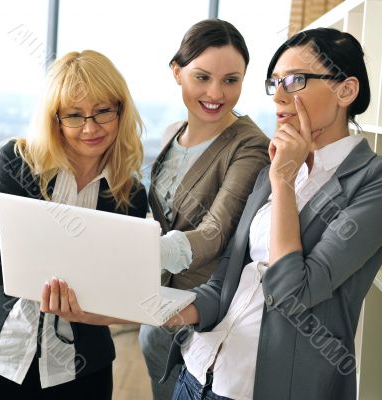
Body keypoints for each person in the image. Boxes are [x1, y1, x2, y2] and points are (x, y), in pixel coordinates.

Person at [159, 27, 382, 400]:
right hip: (197, 374)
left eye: (295, 80)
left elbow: (291, 293)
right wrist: (163, 308)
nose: (278, 96)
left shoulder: (370, 183)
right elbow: (225, 283)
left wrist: (283, 180)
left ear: (346, 90)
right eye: (274, 81)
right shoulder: (275, 166)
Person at [0, 50, 147, 400]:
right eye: (74, 115)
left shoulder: (130, 195)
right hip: (1, 354)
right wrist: (77, 286)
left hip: (85, 367)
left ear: (120, 110)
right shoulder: (17, 162)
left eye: (103, 111)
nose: (90, 128)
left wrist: (71, 288)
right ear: (55, 119)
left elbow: (123, 286)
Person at [139, 18, 270, 398]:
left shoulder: (249, 146)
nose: (216, 93)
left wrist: (138, 252)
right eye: (202, 77)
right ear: (177, 72)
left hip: (207, 312)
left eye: (231, 80)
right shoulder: (171, 135)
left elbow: (215, 233)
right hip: (160, 304)